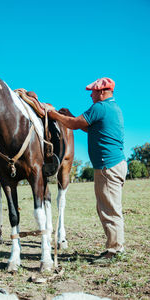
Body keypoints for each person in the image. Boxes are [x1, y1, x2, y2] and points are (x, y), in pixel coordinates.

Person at [48, 77, 127, 260]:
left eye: (93, 91)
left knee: (109, 208)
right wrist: (70, 116)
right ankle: (115, 247)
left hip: (108, 167)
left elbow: (76, 124)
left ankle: (114, 251)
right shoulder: (113, 108)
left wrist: (55, 115)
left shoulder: (100, 107)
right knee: (109, 207)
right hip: (115, 165)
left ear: (102, 92)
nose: (91, 95)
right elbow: (87, 126)